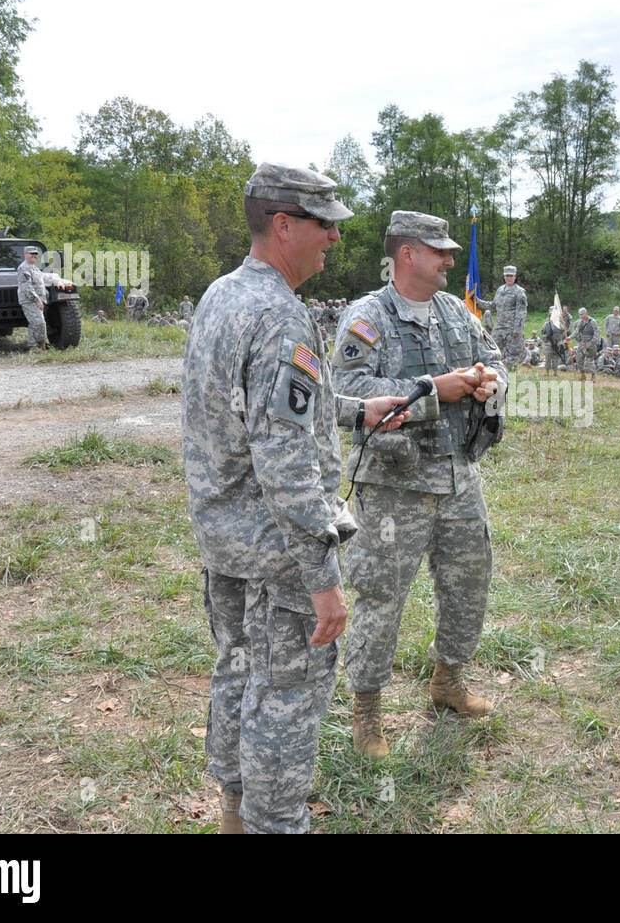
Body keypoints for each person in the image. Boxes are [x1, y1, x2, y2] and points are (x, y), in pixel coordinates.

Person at [182, 163, 409, 834]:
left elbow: (255, 411)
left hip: (225, 540)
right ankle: (272, 820)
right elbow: (284, 461)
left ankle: (232, 811)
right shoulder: (282, 316)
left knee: (238, 671)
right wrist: (323, 577)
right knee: (284, 698)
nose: (335, 238)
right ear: (284, 225)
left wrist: (356, 410)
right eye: (324, 224)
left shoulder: (221, 295)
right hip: (279, 553)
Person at [331, 211, 508, 759]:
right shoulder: (367, 317)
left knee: (468, 582)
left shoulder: (456, 312)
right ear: (407, 254)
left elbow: (495, 359)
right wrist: (436, 390)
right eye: (440, 252)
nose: (450, 261)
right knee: (382, 597)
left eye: (451, 252)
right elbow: (346, 393)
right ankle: (367, 716)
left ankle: (448, 682)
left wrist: (488, 383)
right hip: (394, 487)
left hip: (458, 477)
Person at [491, 265, 527, 372]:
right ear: (504, 276)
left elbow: (521, 312)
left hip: (512, 329)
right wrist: (478, 302)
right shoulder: (500, 290)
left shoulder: (520, 291)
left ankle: (511, 376)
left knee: (513, 355)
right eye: (507, 275)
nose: (509, 278)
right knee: (494, 351)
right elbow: (493, 306)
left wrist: (517, 330)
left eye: (511, 276)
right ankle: (497, 372)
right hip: (499, 328)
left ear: (515, 277)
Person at [16, 246, 49, 351]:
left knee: (35, 322)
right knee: (38, 322)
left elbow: (43, 278)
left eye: (35, 254)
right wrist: (37, 300)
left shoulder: (34, 268)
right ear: (25, 254)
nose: (34, 255)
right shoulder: (24, 268)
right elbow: (27, 287)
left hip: (36, 300)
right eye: (31, 253)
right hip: (29, 300)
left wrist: (58, 281)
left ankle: (36, 346)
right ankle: (38, 345)